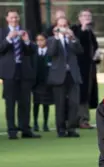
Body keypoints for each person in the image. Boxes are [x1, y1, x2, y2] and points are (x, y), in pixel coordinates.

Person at [0, 9, 40, 139]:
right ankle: (12, 131)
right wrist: (8, 39)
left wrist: (27, 41)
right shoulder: (2, 33)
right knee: (10, 103)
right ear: (7, 19)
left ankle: (25, 130)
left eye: (16, 17)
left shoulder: (26, 32)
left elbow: (33, 50)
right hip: (9, 73)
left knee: (25, 102)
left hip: (24, 72)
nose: (14, 20)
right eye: (11, 18)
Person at [46, 17, 83, 138]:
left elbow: (80, 51)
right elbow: (51, 53)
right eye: (60, 25)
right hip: (58, 76)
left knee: (74, 103)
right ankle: (60, 129)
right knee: (60, 103)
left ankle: (71, 128)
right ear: (55, 27)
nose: (63, 28)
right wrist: (57, 38)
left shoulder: (73, 40)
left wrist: (72, 38)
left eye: (65, 25)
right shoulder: (52, 40)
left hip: (72, 75)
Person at [32, 32, 53, 132]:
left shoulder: (50, 52)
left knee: (46, 104)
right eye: (38, 40)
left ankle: (45, 123)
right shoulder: (34, 52)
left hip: (47, 83)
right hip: (36, 83)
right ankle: (35, 123)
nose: (40, 42)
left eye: (42, 40)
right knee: (36, 103)